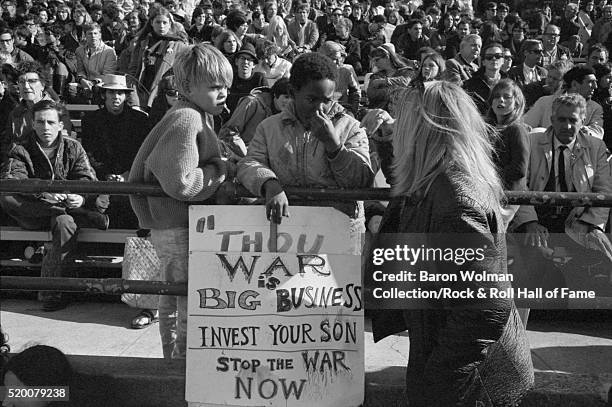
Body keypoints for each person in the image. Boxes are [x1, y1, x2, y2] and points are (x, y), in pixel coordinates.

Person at [370, 80, 534, 406]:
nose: (395, 125)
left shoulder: (454, 198)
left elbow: (485, 308)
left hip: (471, 377)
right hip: (453, 358)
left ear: (423, 130)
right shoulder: (437, 180)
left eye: (402, 120)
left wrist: (438, 379)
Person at [129, 43, 234, 359]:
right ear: (187, 86)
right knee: (185, 296)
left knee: (173, 294)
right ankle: (183, 364)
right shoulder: (188, 117)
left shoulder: (195, 114)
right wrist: (220, 169)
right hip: (176, 223)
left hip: (172, 222)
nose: (223, 94)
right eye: (215, 87)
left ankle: (174, 360)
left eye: (226, 87)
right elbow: (182, 184)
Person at [237, 52, 374, 254]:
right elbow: (250, 163)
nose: (320, 107)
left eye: (326, 100)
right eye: (311, 99)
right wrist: (269, 183)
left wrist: (334, 146)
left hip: (340, 232)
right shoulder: (270, 128)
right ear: (293, 92)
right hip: (289, 232)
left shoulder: (350, 127)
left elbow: (362, 180)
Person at [0, 100, 108, 311]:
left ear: (60, 124)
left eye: (51, 122)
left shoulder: (73, 146)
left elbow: (87, 179)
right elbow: (15, 179)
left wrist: (80, 197)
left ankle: (54, 292)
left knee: (65, 222)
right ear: (33, 123)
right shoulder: (20, 148)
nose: (45, 127)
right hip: (32, 211)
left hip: (63, 210)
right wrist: (49, 195)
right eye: (40, 122)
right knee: (6, 197)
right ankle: (76, 212)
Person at [513, 93, 612, 313]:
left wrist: (590, 225)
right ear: (552, 119)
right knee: (528, 268)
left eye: (573, 120)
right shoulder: (530, 143)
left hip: (578, 223)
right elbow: (520, 187)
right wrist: (530, 222)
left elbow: (604, 191)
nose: (567, 125)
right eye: (561, 119)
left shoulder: (595, 147)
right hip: (538, 221)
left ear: (582, 121)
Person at [127, 7, 187, 109]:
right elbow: (132, 71)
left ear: (170, 24)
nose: (161, 26)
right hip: (141, 94)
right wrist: (133, 95)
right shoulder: (142, 43)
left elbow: (184, 73)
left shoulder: (179, 45)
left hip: (165, 96)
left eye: (165, 22)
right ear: (151, 23)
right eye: (158, 22)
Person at [219, 77, 290, 158]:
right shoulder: (252, 103)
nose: (289, 102)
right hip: (236, 154)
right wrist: (247, 155)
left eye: (292, 98)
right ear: (276, 94)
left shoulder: (287, 116)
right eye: (286, 97)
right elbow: (229, 132)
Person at [524, 65, 604, 138]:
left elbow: (597, 131)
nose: (595, 86)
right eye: (590, 82)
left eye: (595, 82)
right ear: (574, 85)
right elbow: (525, 126)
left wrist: (587, 132)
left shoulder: (596, 108)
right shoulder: (544, 102)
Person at [463, 41, 506, 115]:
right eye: (489, 57)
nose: (494, 59)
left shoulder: (510, 83)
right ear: (483, 62)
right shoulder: (470, 84)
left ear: (503, 60)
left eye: (498, 56)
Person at [226, 42, 265, 113]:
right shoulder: (230, 78)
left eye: (249, 59)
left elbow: (266, 103)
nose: (246, 62)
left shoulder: (260, 79)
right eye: (243, 58)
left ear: (254, 65)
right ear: (236, 61)